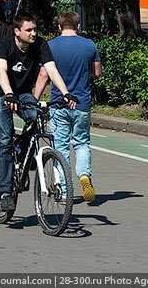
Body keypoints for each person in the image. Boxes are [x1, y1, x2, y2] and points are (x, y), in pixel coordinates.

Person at [0, 11, 76, 213]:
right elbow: (1, 70)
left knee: (36, 119)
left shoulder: (41, 45)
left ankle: (23, 156)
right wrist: (8, 94)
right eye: (29, 30)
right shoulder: (3, 44)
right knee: (4, 141)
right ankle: (4, 192)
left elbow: (52, 70)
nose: (34, 33)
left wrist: (66, 93)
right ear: (17, 32)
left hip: (23, 94)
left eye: (35, 29)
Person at [40, 11, 101, 203]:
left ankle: (65, 192)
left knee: (61, 146)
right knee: (82, 142)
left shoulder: (50, 46)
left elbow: (44, 75)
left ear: (59, 26)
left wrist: (35, 98)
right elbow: (97, 72)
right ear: (78, 25)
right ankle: (84, 175)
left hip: (59, 103)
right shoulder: (89, 45)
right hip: (82, 102)